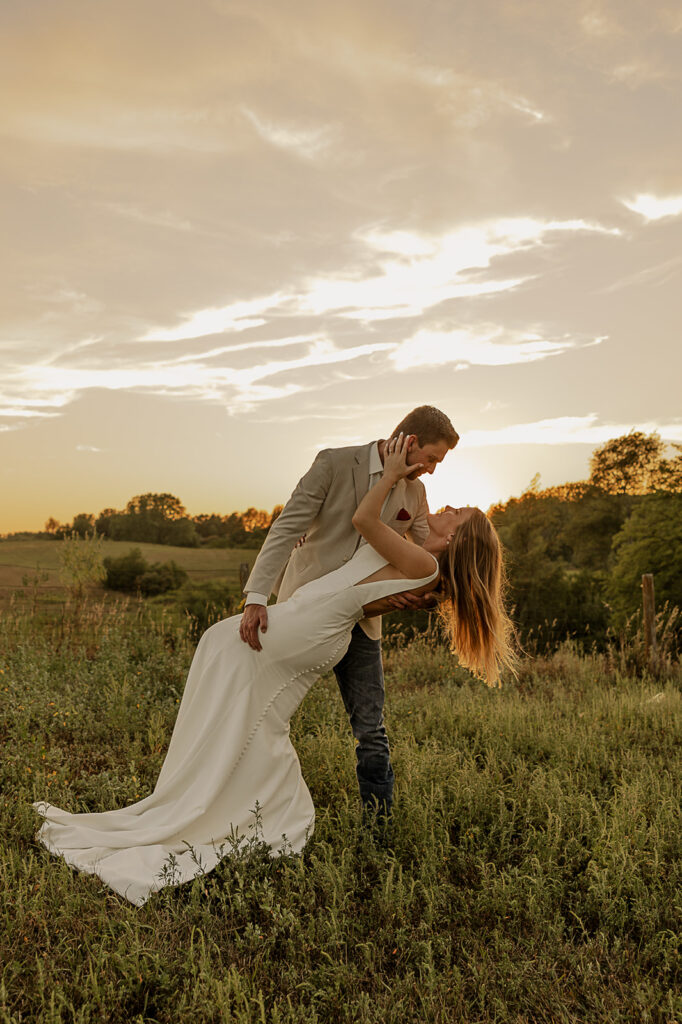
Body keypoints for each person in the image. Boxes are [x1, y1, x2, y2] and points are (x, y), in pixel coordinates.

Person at [33, 434, 515, 907]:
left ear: (454, 537)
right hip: (308, 614)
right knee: (235, 678)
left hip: (316, 627)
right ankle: (207, 796)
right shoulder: (399, 523)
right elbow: (351, 540)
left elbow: (366, 520)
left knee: (299, 709)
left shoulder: (424, 554)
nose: (446, 502)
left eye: (457, 513)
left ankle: (289, 817)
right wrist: (312, 537)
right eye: (431, 465)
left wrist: (390, 477)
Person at [240, 405, 459, 821]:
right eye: (431, 458)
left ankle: (377, 826)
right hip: (305, 611)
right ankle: (250, 810)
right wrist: (256, 596)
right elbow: (287, 528)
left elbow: (426, 554)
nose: (431, 470)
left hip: (364, 619)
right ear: (410, 443)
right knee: (263, 712)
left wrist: (425, 597)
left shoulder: (415, 493)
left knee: (371, 729)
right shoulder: (335, 463)